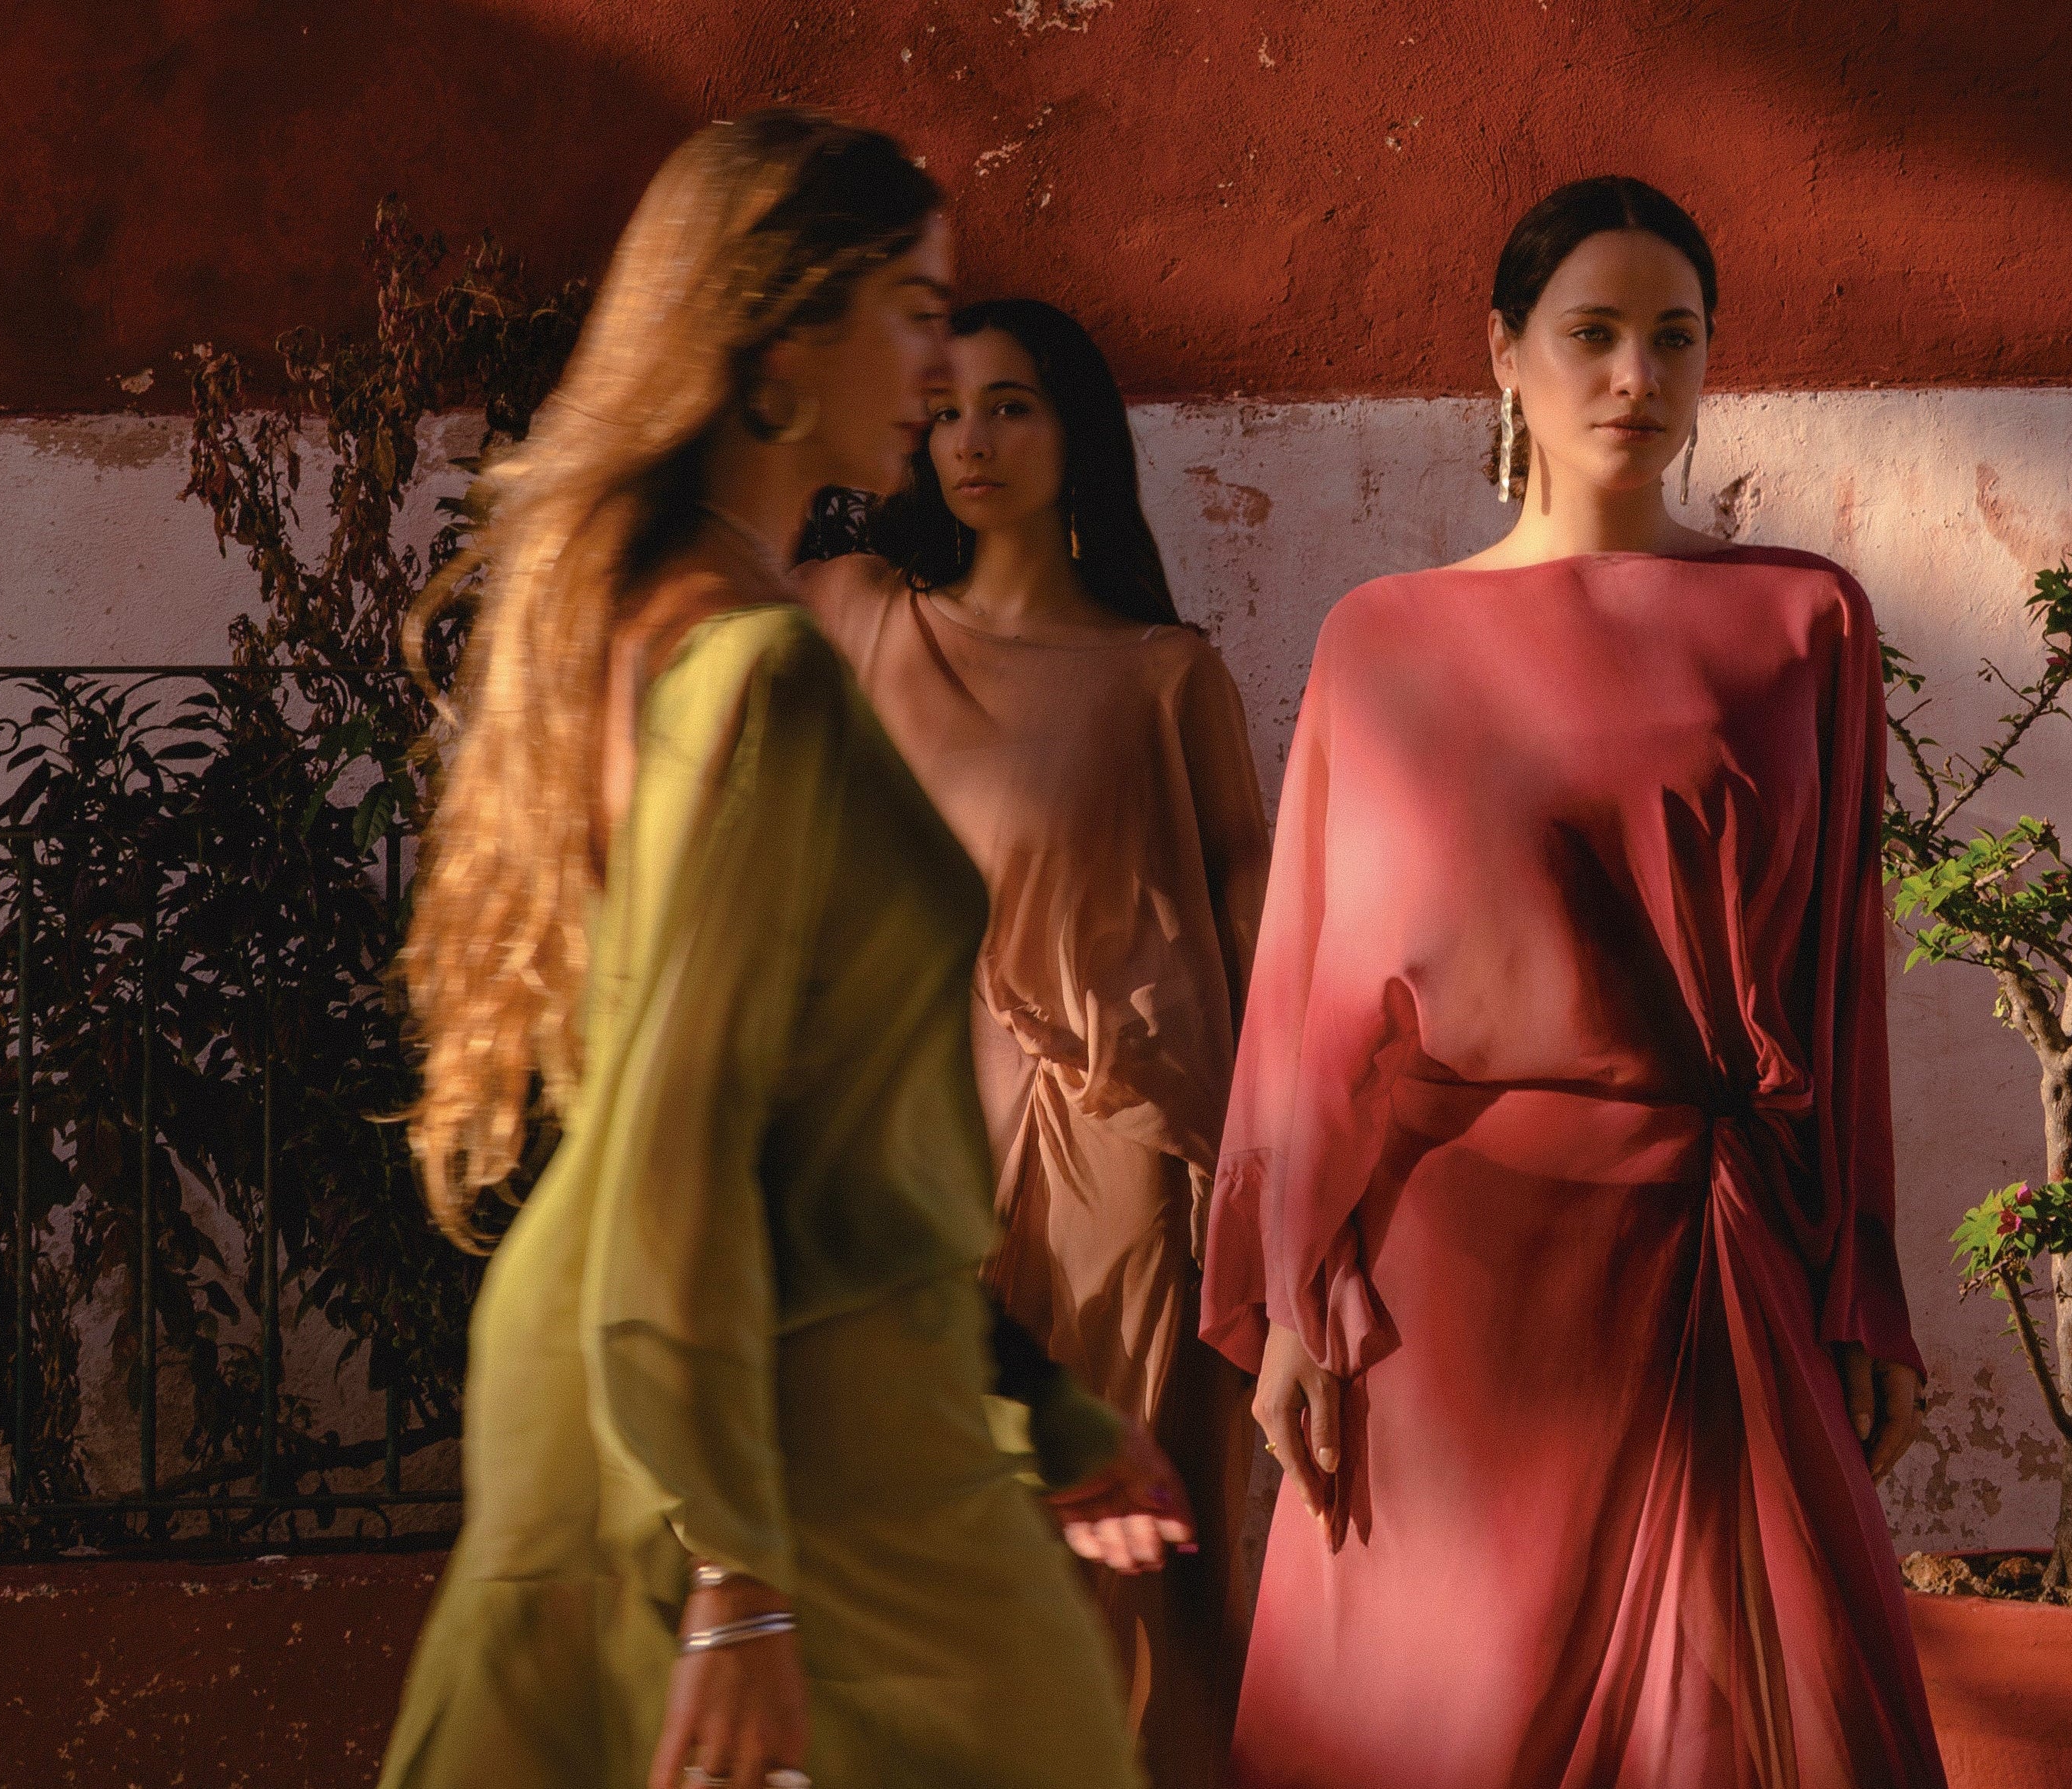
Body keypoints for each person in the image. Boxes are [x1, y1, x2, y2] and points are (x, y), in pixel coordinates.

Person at [379, 112, 1154, 1789]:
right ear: (782, 338)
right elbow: (695, 1116)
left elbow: (795, 1111)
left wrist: (1041, 1394)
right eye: (914, 306)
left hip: (689, 1372)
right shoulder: (756, 670)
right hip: (764, 1411)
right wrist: (733, 1570)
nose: (945, 366)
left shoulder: (636, 617)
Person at [1201, 176, 1947, 1787]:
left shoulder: (1804, 619)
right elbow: (1318, 1004)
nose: (1636, 376)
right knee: (1437, 1720)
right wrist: (1285, 1296)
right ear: (1504, 355)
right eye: (1592, 334)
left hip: (1720, 1245)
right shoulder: (1383, 637)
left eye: (1674, 337)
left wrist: (1860, 1276)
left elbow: (1837, 987)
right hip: (1453, 1286)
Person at [801, 298, 1272, 1788]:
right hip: (912, 1143)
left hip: (1116, 1151)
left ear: (1077, 435)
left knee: (1116, 1548)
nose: (972, 439)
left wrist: (1290, 1180)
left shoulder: (1162, 672)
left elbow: (1253, 916)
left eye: (1012, 405)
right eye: (944, 409)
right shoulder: (861, 612)